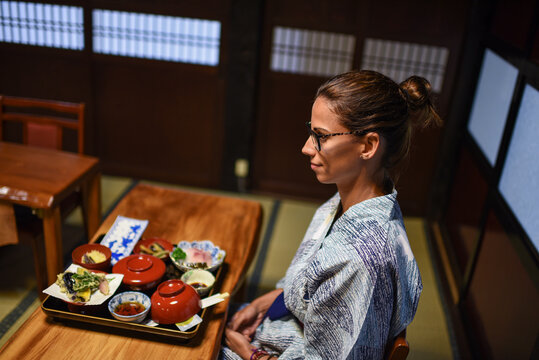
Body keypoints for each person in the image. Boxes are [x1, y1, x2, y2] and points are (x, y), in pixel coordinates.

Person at [222, 70, 441, 360]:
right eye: (311, 132)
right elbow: (307, 290)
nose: (306, 147)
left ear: (368, 145)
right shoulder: (346, 201)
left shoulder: (361, 259)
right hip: (277, 329)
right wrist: (260, 305)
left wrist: (248, 354)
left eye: (321, 136)